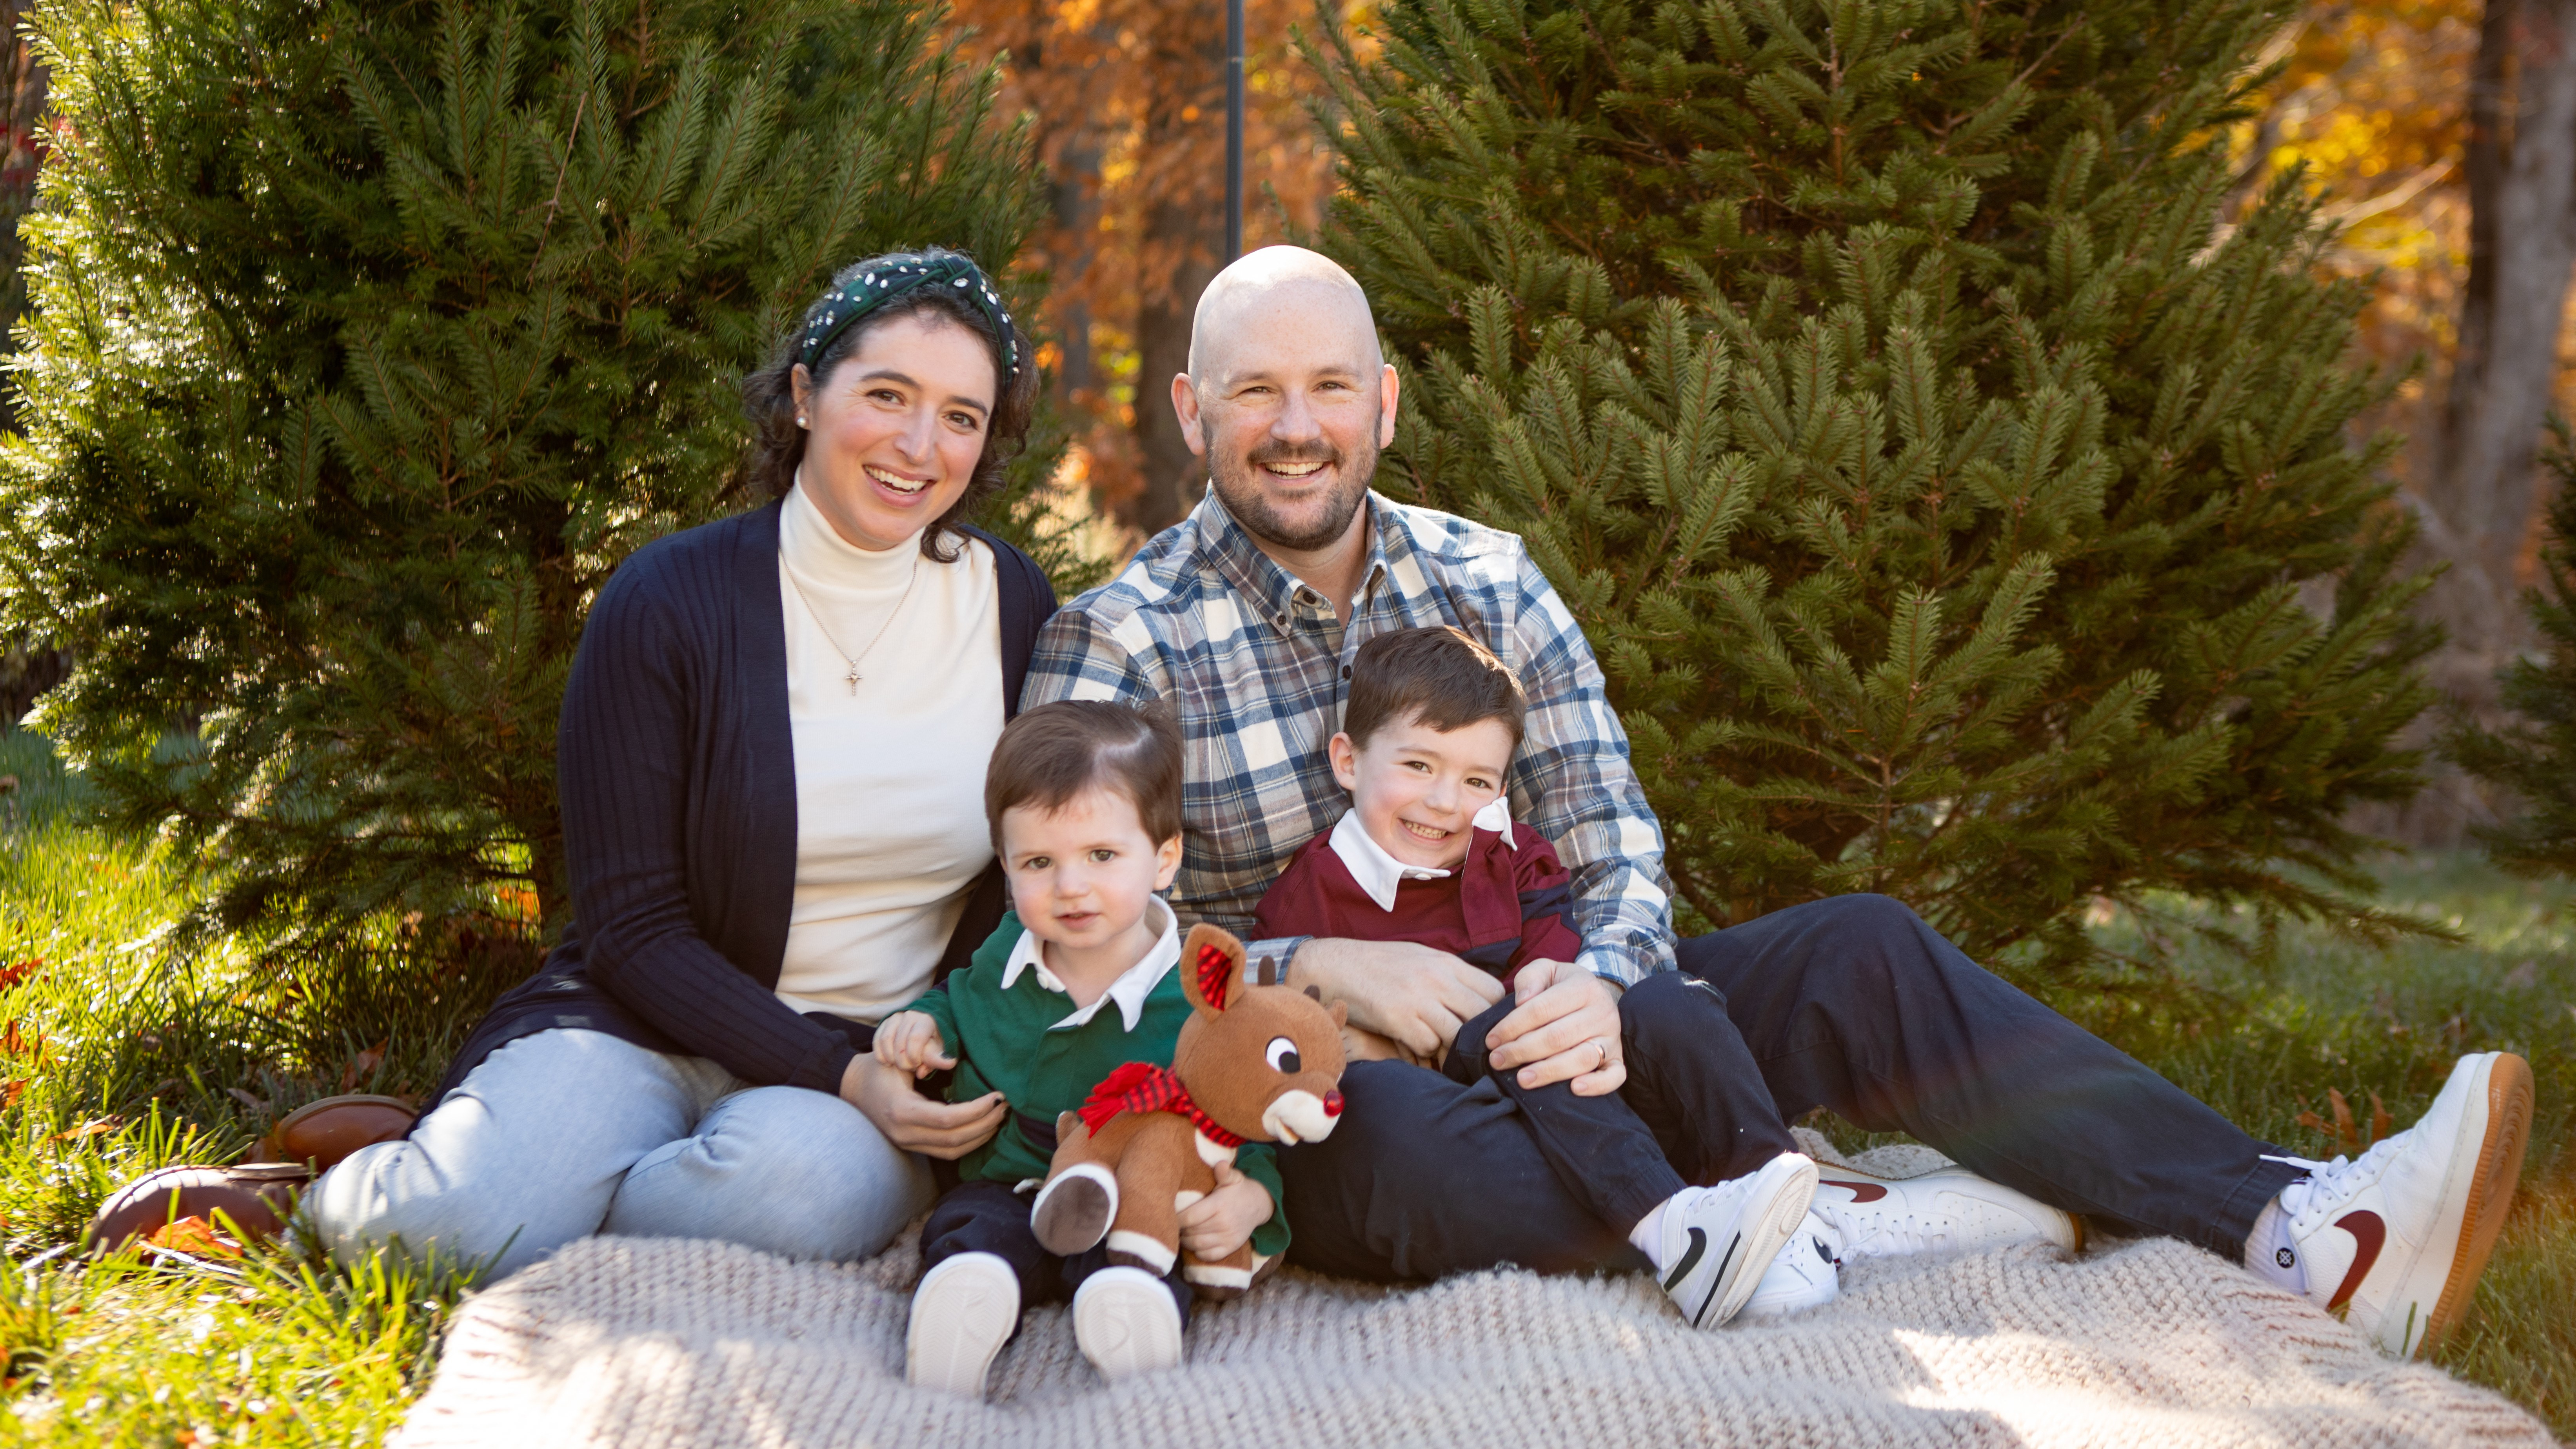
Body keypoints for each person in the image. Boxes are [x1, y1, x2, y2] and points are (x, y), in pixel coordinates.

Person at [1023, 243, 2534, 1360]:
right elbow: (1078, 938)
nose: (1298, 425)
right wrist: (1308, 966)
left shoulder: (1486, 575)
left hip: (1569, 1020)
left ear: (1387, 401)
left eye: (1330, 386)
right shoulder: (1117, 637)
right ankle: (1793, 1207)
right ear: (1190, 408)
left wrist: (1597, 985)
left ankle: (2303, 1224)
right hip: (1350, 1077)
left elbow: (1611, 837)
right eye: (1258, 391)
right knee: (1416, 1161)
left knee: (1861, 945)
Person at [300, 249, 1058, 1278]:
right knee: (447, 1239)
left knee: (809, 1199)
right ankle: (353, 1189)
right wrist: (827, 1071)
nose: (920, 446)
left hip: (867, 1064)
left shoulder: (1012, 608)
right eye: (887, 395)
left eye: (962, 417)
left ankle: (542, 1187)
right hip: (638, 1029)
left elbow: (1042, 867)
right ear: (803, 395)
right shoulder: (668, 599)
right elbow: (629, 927)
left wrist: (882, 1066)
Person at [1254, 624, 1849, 1327]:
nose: (1445, 802)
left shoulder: (1512, 859)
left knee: (1668, 1002)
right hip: (1462, 1119)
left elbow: (1554, 963)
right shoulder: (1307, 897)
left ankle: (1781, 1202)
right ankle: (1672, 1227)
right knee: (1511, 1035)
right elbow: (1282, 1026)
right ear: (1348, 761)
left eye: (1477, 781)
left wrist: (1563, 992)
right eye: (1418, 766)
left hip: (1565, 1074)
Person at [876, 700, 1290, 1396]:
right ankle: (968, 1300)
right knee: (969, 1230)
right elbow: (959, 1000)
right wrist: (922, 1026)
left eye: (1101, 855)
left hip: (1138, 1196)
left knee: (1149, 1256)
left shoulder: (1199, 997)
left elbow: (1243, 1113)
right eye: (1038, 862)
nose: (1069, 887)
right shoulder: (1007, 951)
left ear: (1164, 859)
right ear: (1005, 864)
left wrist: (1252, 1200)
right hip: (1006, 1178)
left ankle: (1132, 1317)